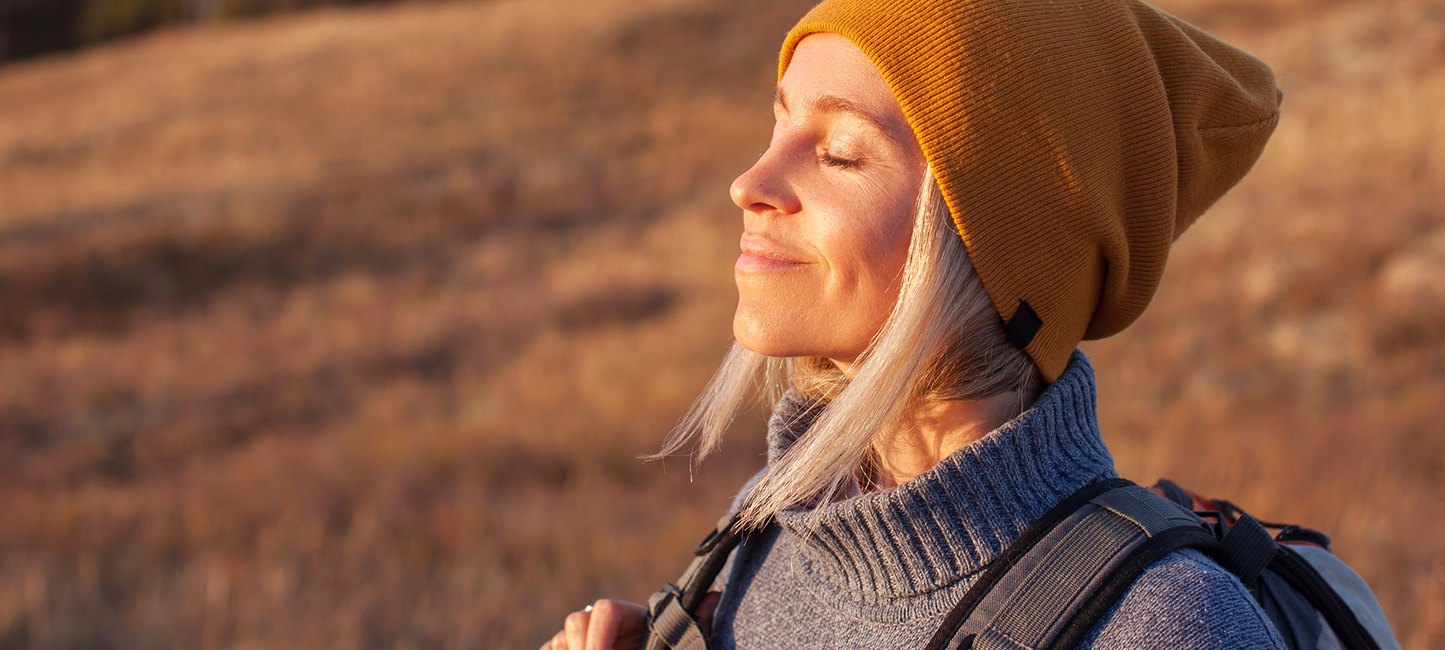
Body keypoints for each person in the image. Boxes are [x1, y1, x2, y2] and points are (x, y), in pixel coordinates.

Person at [543, 0, 1284, 647]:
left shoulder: (1162, 625)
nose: (750, 184)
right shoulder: (767, 526)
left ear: (989, 246)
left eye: (838, 154)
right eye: (778, 124)